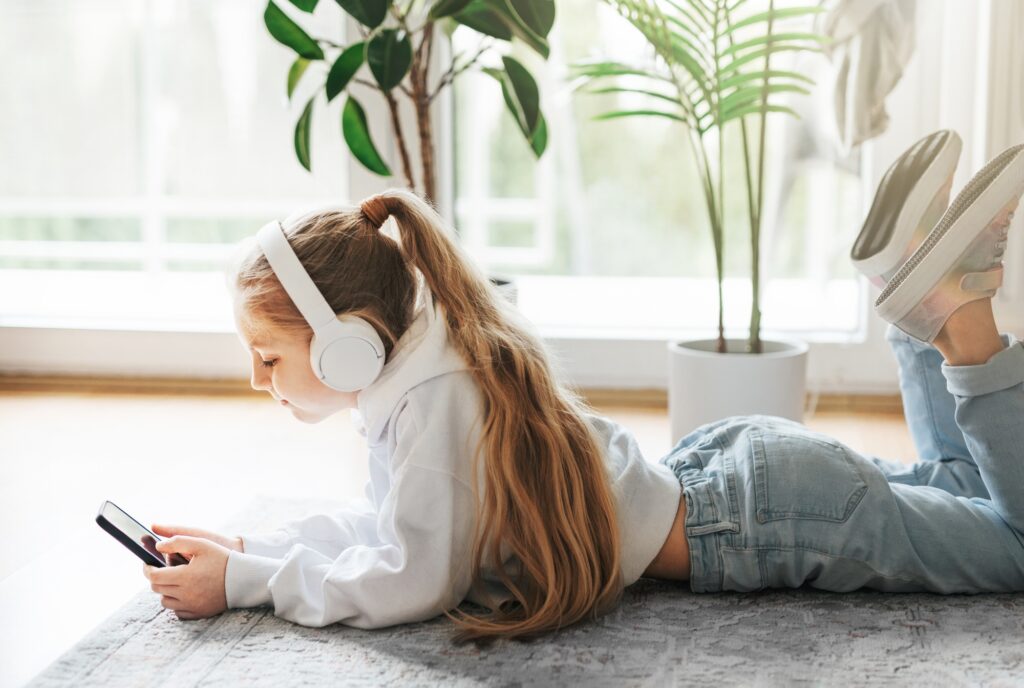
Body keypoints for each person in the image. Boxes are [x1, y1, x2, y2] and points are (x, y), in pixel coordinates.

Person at [143, 133, 1024, 647]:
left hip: (764, 518)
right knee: (966, 502)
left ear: (344, 347)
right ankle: (915, 300)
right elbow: (394, 531)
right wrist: (254, 545)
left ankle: (961, 317)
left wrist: (251, 584)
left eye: (268, 356)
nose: (258, 380)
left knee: (1016, 544)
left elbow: (409, 580)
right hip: (750, 487)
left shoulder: (435, 408)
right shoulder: (429, 364)